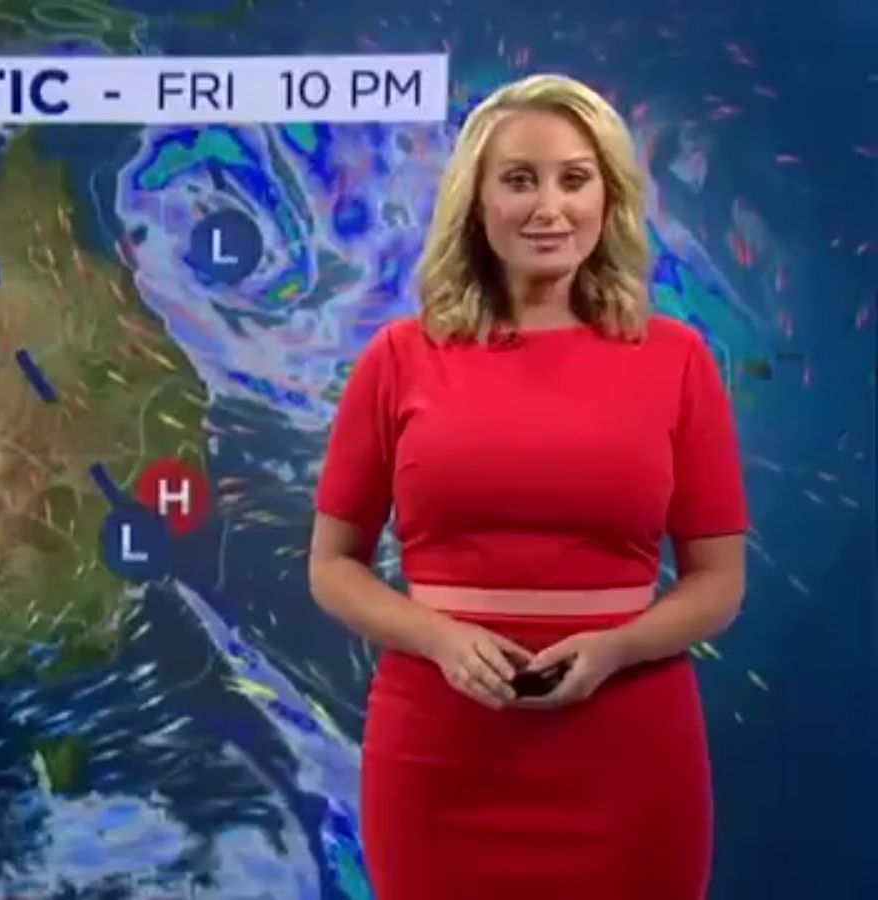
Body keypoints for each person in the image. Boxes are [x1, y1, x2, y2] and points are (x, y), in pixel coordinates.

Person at [308, 73, 748, 899]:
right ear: (477, 201)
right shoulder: (398, 359)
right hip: (440, 752)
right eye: (520, 180)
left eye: (574, 179)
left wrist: (615, 648)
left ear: (608, 199)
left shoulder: (677, 360)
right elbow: (332, 566)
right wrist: (440, 639)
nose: (549, 207)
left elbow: (718, 583)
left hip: (628, 750)